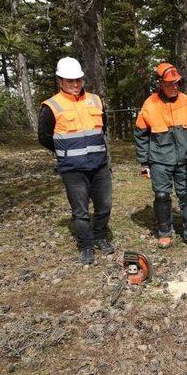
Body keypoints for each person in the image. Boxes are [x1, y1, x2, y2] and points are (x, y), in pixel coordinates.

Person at [38, 57, 114, 265]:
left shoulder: (95, 100)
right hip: (73, 170)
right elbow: (44, 137)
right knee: (80, 212)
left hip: (99, 166)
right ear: (60, 81)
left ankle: (99, 237)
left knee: (105, 206)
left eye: (78, 79)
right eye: (70, 80)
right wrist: (66, 150)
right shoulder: (51, 106)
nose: (75, 84)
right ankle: (86, 246)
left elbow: (102, 128)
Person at [134, 63, 187, 249]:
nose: (175, 87)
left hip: (184, 159)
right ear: (159, 83)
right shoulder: (150, 104)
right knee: (162, 195)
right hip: (159, 160)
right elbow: (140, 135)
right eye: (170, 84)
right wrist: (144, 162)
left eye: (177, 83)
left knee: (186, 195)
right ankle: (165, 233)